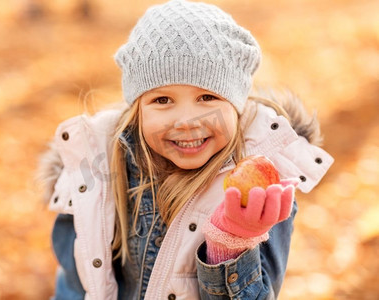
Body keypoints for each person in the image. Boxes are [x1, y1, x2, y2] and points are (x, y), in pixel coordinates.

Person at [38, 0, 334, 299]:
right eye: (163, 100)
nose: (187, 121)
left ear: (236, 105)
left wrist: (231, 243)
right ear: (138, 109)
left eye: (207, 97)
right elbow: (76, 284)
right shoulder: (97, 169)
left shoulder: (265, 185)